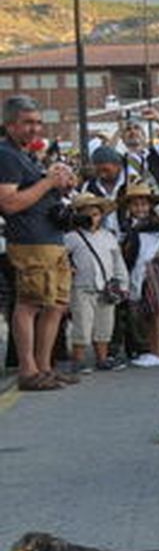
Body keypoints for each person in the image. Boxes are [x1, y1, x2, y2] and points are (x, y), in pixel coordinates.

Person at [0, 97, 80, 391]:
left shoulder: (25, 155)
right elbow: (9, 203)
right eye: (27, 123)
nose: (35, 129)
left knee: (56, 305)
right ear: (10, 125)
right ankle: (28, 370)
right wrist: (48, 183)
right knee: (30, 304)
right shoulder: (6, 155)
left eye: (37, 123)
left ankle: (44, 367)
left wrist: (60, 184)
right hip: (31, 242)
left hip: (50, 238)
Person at [118, 184, 159, 367]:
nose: (140, 208)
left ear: (150, 206)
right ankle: (151, 348)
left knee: (157, 311)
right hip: (136, 270)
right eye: (135, 205)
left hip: (151, 269)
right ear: (129, 207)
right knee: (146, 312)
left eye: (143, 204)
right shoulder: (128, 226)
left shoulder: (155, 224)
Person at [62, 192, 130, 373]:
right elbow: (60, 258)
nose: (91, 218)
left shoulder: (108, 236)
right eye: (86, 214)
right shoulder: (71, 237)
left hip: (107, 288)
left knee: (104, 325)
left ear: (101, 216)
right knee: (82, 325)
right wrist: (68, 268)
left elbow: (118, 262)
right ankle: (78, 360)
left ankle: (102, 357)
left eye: (95, 214)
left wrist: (123, 284)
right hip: (81, 288)